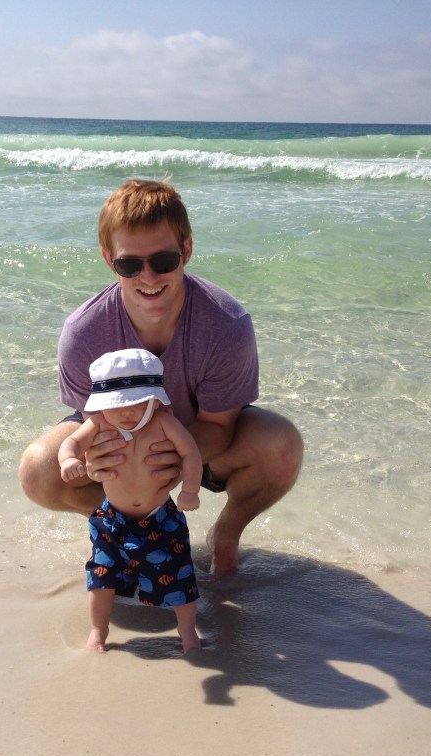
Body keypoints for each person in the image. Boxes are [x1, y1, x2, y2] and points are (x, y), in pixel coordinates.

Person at [19, 178, 303, 576]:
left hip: (200, 441)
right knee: (38, 470)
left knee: (281, 447)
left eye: (164, 261)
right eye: (130, 265)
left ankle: (226, 534)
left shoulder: (227, 324)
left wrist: (168, 460)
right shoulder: (83, 333)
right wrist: (103, 464)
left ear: (187, 250)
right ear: (109, 260)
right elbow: (94, 425)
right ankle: (123, 529)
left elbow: (218, 427)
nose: (148, 278)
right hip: (118, 440)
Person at [59, 348, 203, 653]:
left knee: (179, 577)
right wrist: (68, 459)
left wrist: (190, 490)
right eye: (117, 404)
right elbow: (71, 441)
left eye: (136, 403)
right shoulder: (99, 423)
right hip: (112, 521)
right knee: (101, 576)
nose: (126, 412)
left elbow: (191, 452)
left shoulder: (164, 422)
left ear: (155, 400)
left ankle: (188, 631)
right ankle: (98, 631)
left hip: (160, 518)